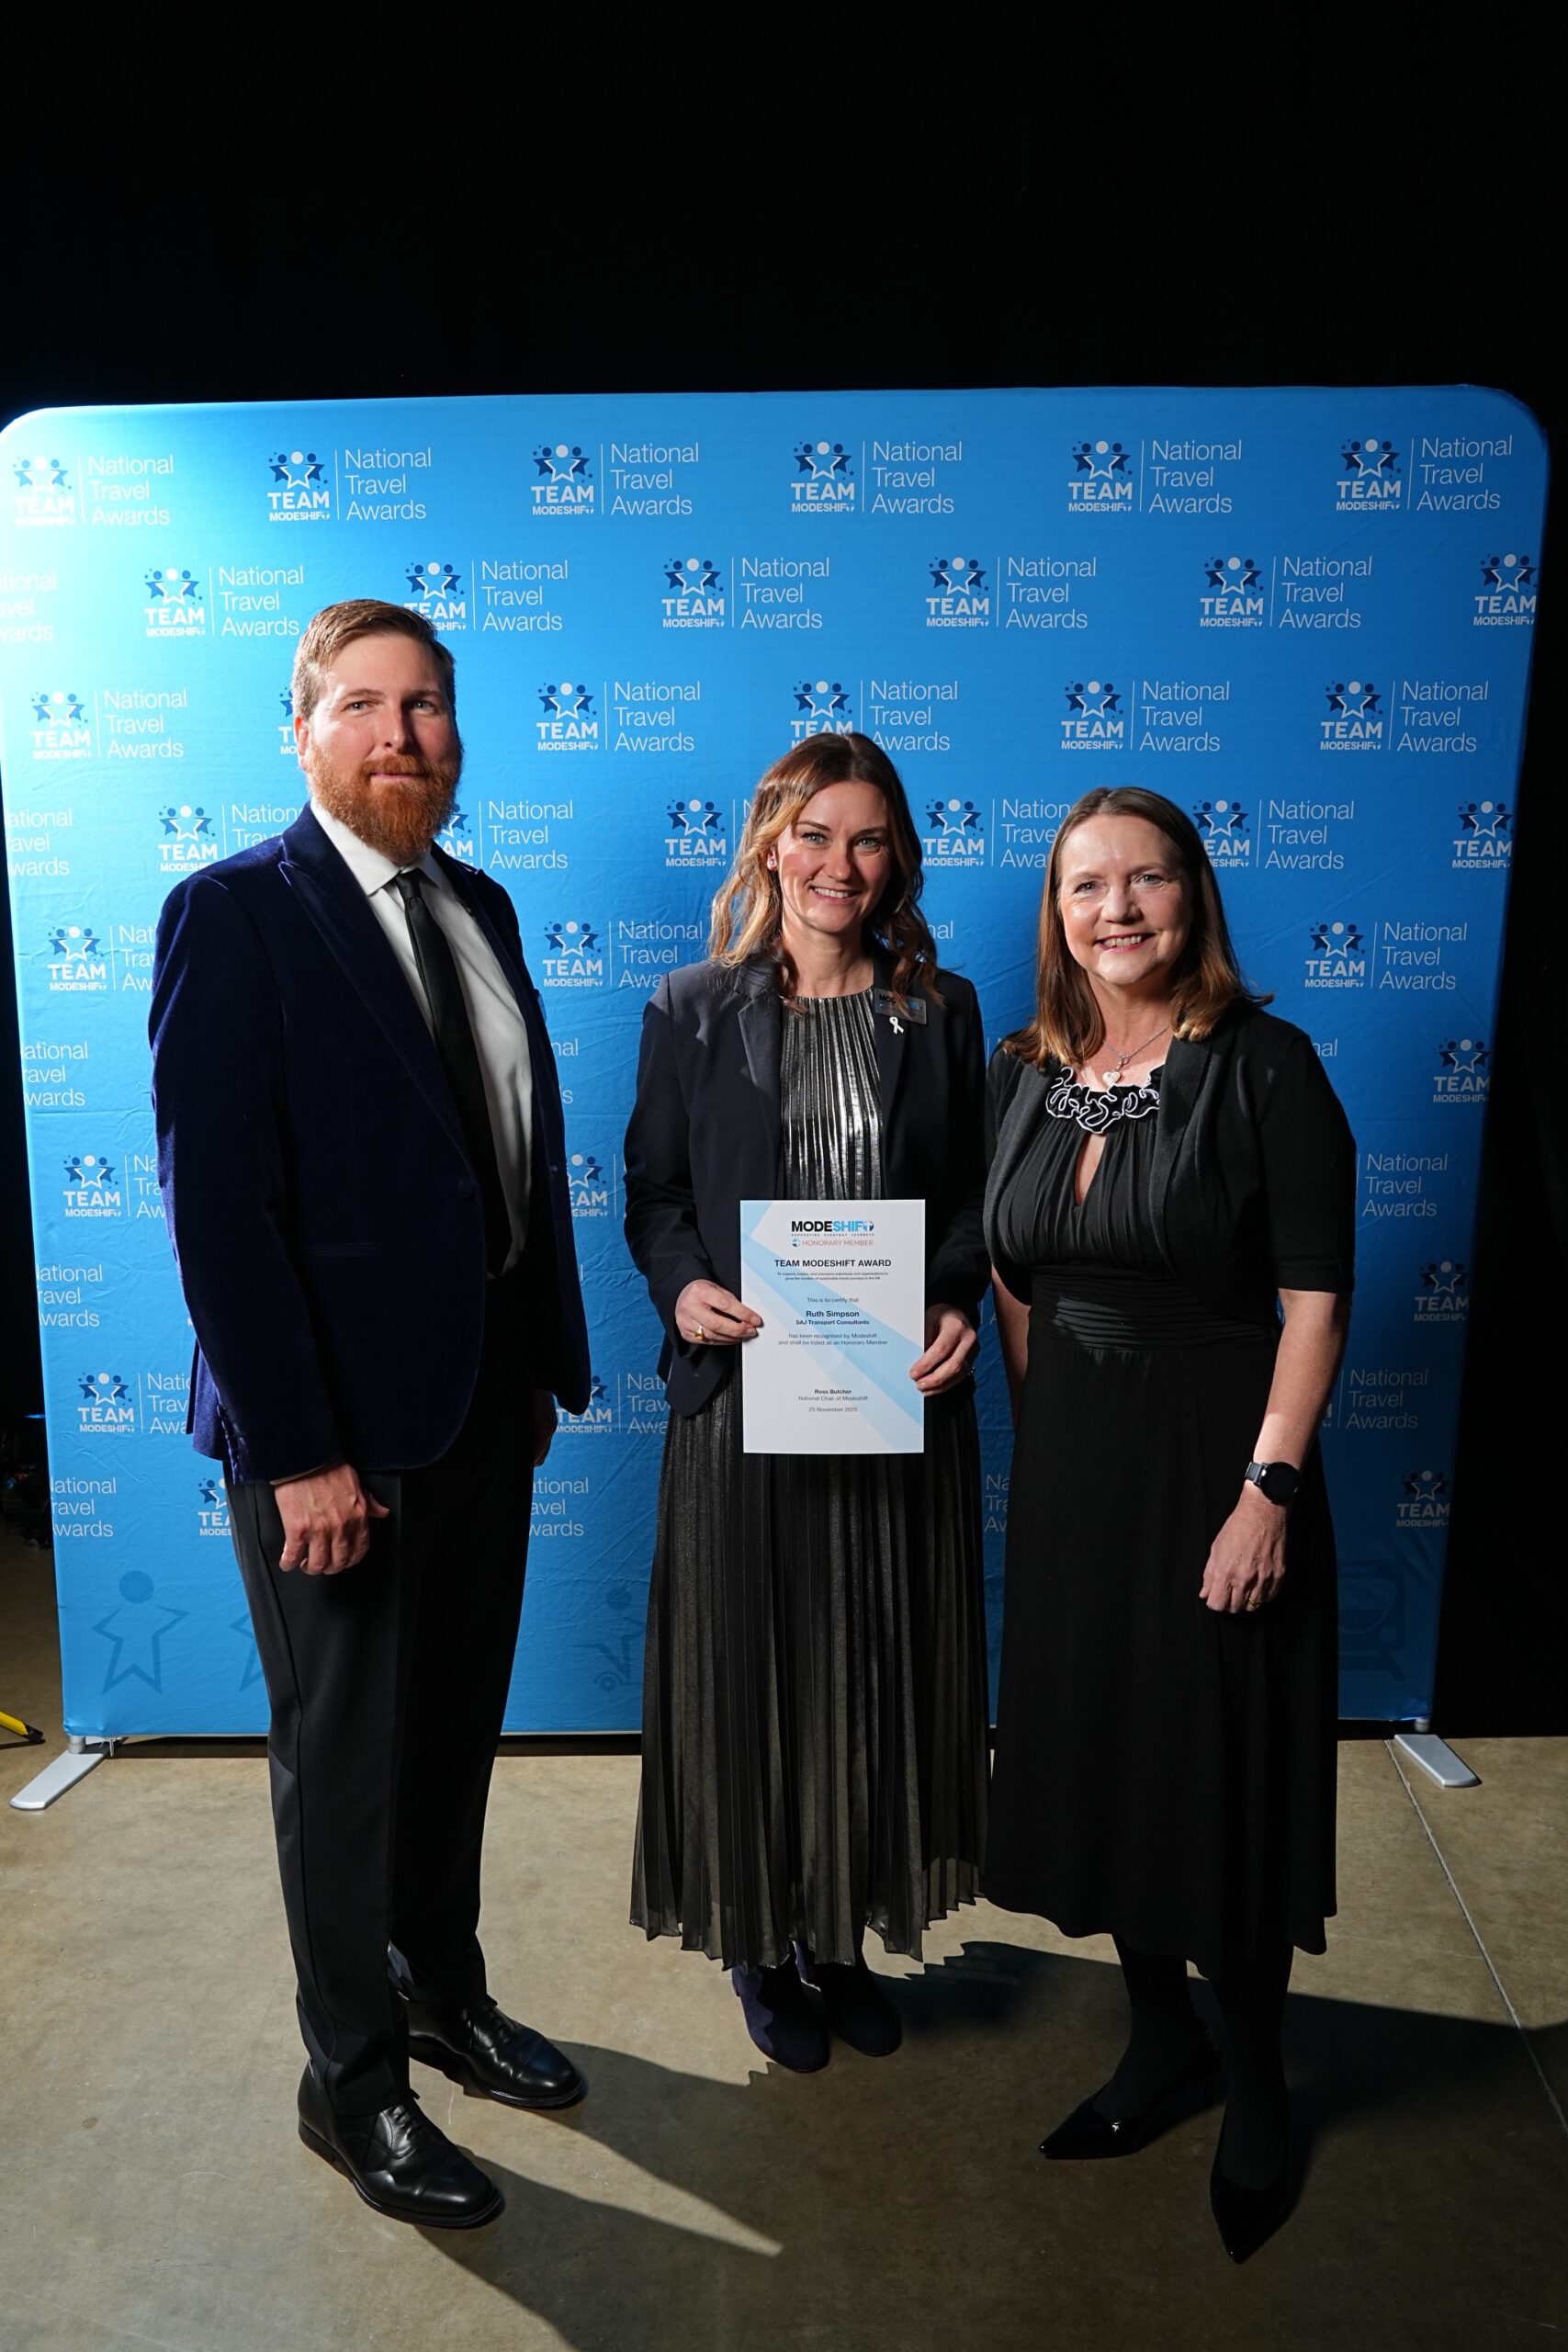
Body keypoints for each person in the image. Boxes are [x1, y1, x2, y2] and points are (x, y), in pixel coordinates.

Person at [150, 599, 591, 2229]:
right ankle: (353, 2086)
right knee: (341, 1767)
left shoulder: (481, 901)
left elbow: (510, 1153)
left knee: (451, 1737)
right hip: (328, 1440)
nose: (400, 735)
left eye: (428, 707)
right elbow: (222, 1218)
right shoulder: (233, 914)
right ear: (303, 731)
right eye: (362, 706)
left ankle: (438, 1989)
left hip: (483, 1410)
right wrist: (300, 1451)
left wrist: (543, 1364)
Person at [982, 785, 1354, 2264]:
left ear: (1192, 896)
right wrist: (1045, 1434)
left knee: (1219, 1781)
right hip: (1078, 1474)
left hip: (1219, 1466)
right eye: (1087, 886)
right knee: (1105, 1763)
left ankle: (1255, 2076)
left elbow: (1314, 1301)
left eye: (1146, 880)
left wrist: (1267, 1492)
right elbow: (1015, 1273)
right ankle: (1159, 2043)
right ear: (1057, 912)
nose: (1116, 908)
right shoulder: (1030, 1069)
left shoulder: (1267, 1067)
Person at [623, 732, 990, 2072]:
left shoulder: (936, 1011)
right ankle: (756, 1942)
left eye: (872, 838)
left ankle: (837, 1934)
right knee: (748, 1674)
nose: (843, 864)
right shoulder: (688, 1007)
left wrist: (954, 1298)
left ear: (899, 858)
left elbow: (969, 1204)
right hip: (741, 1407)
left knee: (866, 1669)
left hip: (889, 1406)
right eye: (818, 834)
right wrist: (682, 1291)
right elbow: (654, 1196)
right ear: (770, 841)